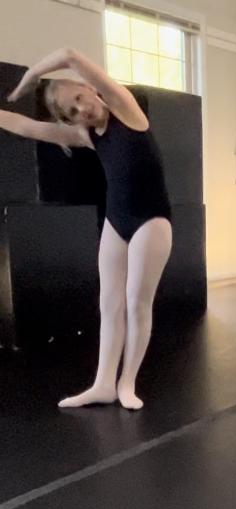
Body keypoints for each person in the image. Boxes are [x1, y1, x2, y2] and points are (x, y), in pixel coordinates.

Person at [2, 49, 173, 410]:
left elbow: (69, 55)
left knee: (136, 302)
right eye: (72, 111)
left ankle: (127, 382)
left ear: (90, 88)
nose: (82, 110)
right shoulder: (88, 136)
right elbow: (26, 127)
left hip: (152, 221)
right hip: (117, 221)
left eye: (80, 98)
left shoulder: (126, 110)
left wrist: (29, 77)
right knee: (109, 304)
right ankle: (103, 384)